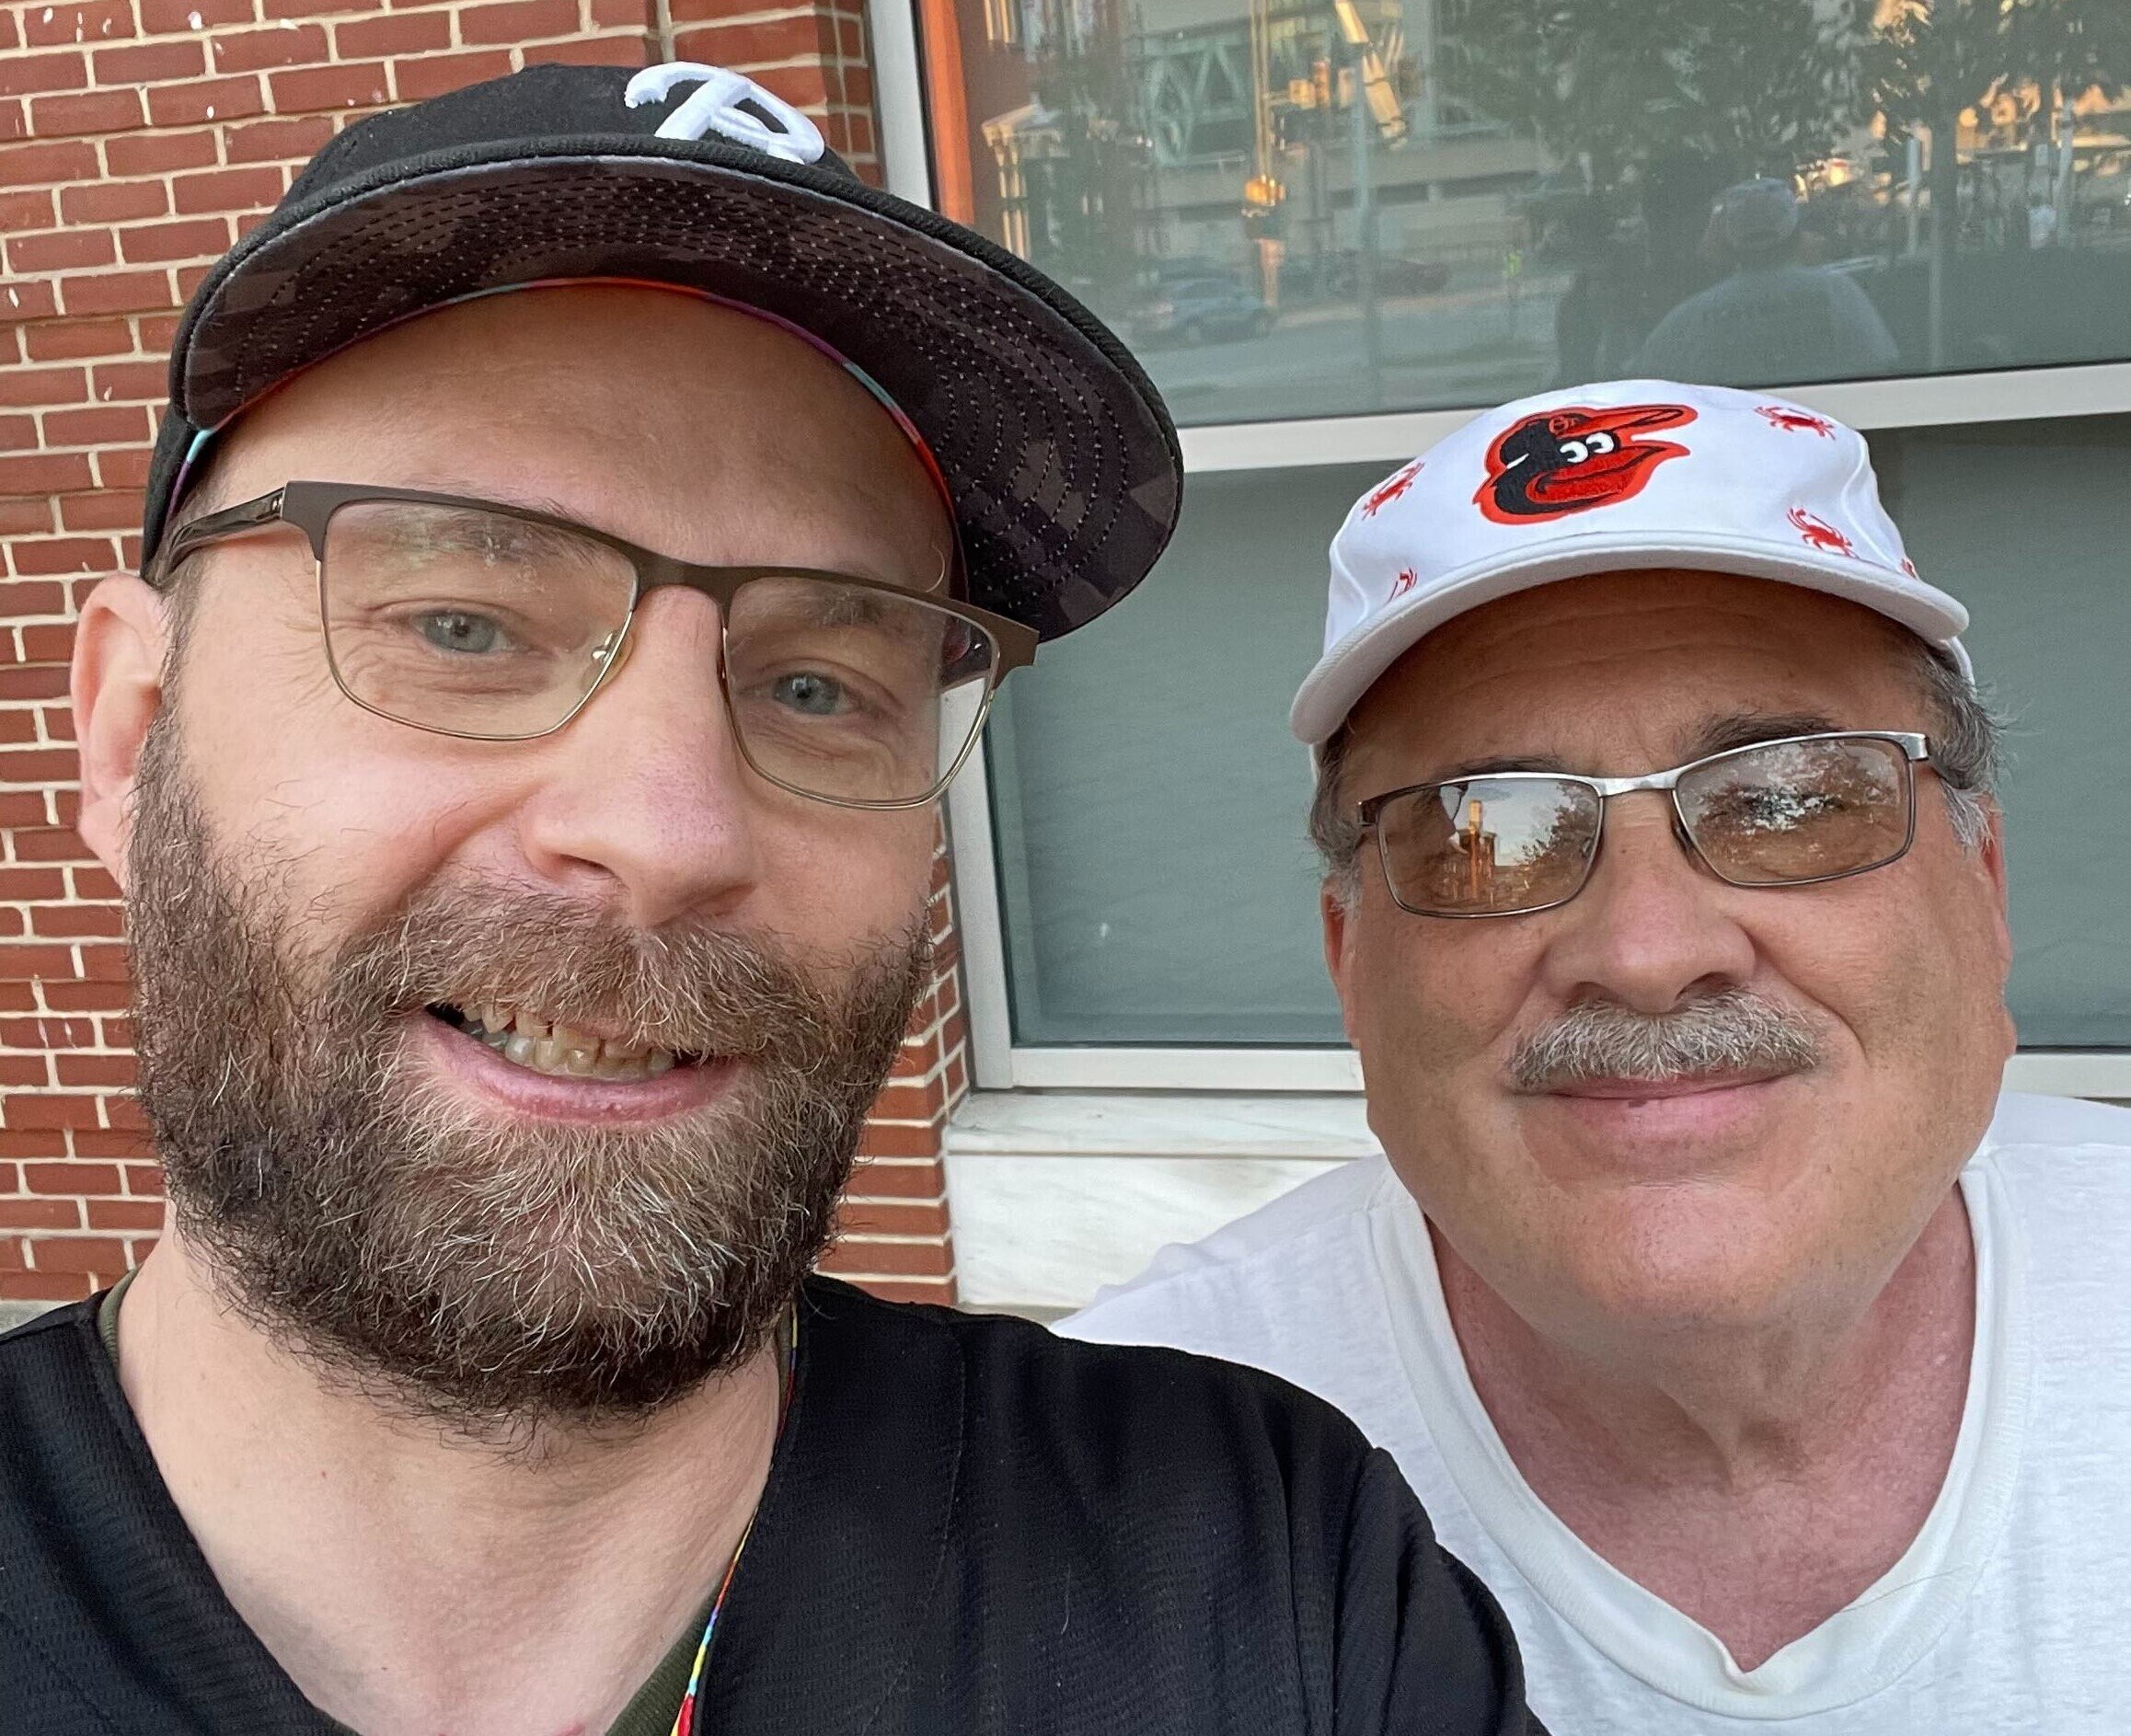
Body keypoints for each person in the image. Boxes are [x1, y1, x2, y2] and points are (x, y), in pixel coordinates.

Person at [0, 63, 1540, 1736]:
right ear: (132, 736)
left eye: (819, 682)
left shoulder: (1259, 1574)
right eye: (460, 623)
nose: (667, 828)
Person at [1069, 379, 2131, 1730]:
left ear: (1984, 888)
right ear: (1349, 959)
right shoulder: (1109, 1488)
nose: (1644, 946)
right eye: (1482, 827)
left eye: (1790, 799)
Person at [1632, 179, 1898, 386]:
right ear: (1797, 235)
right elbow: (1881, 362)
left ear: (1725, 243)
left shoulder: (1689, 318)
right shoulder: (1836, 294)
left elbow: (1650, 381)